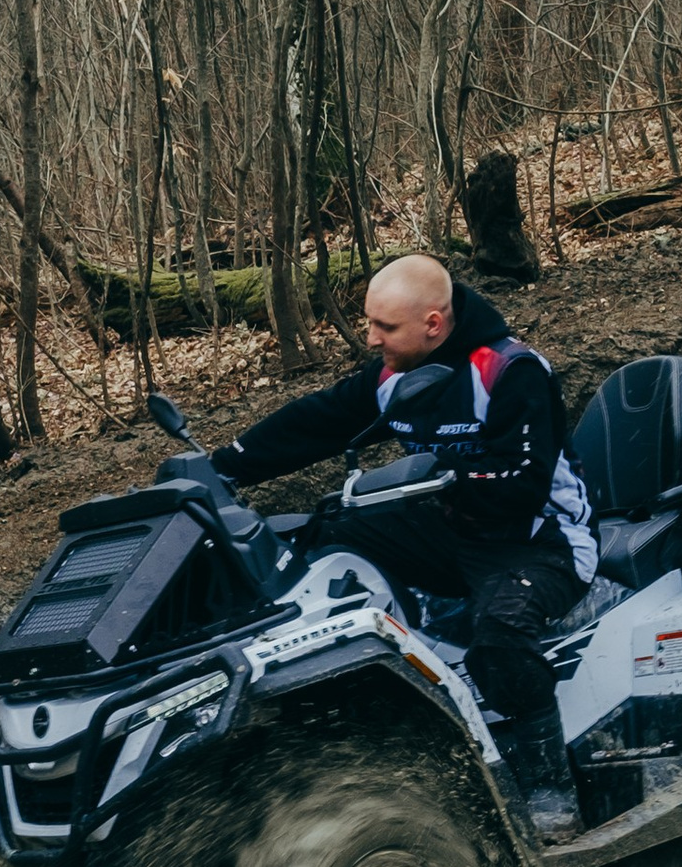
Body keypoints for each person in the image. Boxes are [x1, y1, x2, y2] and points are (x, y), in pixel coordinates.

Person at [207, 254, 595, 835]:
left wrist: (440, 479)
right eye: (370, 323)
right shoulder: (393, 376)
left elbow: (523, 483)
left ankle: (549, 787)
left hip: (540, 540)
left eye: (384, 328)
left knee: (499, 638)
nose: (370, 338)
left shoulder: (510, 372)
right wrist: (217, 470)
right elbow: (317, 420)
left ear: (433, 324)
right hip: (454, 527)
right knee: (327, 528)